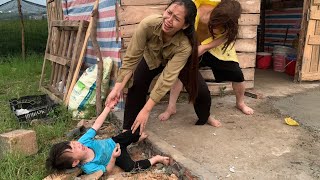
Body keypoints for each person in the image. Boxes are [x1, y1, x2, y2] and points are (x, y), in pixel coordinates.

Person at [106, 0, 219, 135]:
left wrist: (146, 110)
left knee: (201, 91)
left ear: (185, 25)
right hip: (152, 59)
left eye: (176, 18)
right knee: (136, 85)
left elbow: (166, 79)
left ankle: (205, 116)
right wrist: (117, 89)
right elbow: (131, 59)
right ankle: (128, 131)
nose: (169, 20)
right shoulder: (148, 25)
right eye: (169, 13)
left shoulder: (185, 45)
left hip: (179, 61)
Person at [158, 0, 254, 123]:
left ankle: (240, 103)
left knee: (237, 75)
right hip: (192, 46)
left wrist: (204, 47)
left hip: (216, 48)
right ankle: (171, 107)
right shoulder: (197, 8)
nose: (216, 28)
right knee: (181, 72)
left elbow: (224, 37)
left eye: (220, 26)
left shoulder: (229, 20)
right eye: (215, 24)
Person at [46, 101, 169, 176]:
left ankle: (136, 139)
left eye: (73, 143)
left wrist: (108, 108)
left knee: (132, 132)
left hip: (114, 142)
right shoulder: (89, 167)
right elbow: (108, 170)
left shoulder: (83, 141)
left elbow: (97, 125)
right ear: (75, 162)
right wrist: (113, 157)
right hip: (116, 155)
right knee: (131, 168)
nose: (77, 144)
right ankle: (156, 159)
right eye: (74, 148)